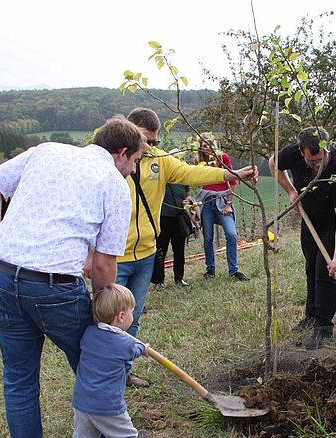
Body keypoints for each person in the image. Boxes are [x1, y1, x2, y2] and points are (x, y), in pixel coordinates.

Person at [0, 115, 147, 438]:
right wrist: (108, 322)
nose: (133, 169)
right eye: (135, 161)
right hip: (54, 289)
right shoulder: (113, 184)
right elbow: (103, 265)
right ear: (121, 154)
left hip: (3, 281)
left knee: (19, 381)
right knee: (96, 359)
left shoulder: (45, 152)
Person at [87, 108, 258, 389]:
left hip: (145, 254)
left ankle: (123, 374)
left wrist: (231, 174)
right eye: (146, 141)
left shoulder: (159, 160)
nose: (150, 148)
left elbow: (192, 172)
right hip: (112, 257)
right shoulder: (105, 162)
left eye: (154, 142)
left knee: (132, 318)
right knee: (105, 322)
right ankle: (103, 378)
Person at [269, 126, 336, 350]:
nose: (317, 166)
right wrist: (290, 190)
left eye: (321, 160)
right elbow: (273, 163)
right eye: (311, 162)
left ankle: (324, 327)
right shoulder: (292, 153)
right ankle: (311, 315)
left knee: (324, 269)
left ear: (328, 149)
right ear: (301, 153)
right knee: (310, 265)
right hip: (310, 217)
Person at [68, 284, 151, 438]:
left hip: (82, 402)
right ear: (121, 317)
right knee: (126, 436)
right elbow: (135, 349)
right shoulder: (123, 344)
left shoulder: (88, 333)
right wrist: (145, 349)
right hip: (107, 404)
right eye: (132, 312)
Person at [195, 134, 250, 282]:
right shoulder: (199, 161)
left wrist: (229, 203)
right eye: (203, 145)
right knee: (208, 237)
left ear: (214, 145)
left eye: (208, 144)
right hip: (207, 200)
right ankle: (210, 270)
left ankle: (234, 270)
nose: (206, 148)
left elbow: (232, 179)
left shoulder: (223, 158)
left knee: (231, 234)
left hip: (222, 199)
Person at [155, 182, 193, 289]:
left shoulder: (182, 179)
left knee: (179, 249)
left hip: (179, 217)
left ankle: (179, 278)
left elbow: (187, 195)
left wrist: (188, 201)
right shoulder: (163, 177)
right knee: (161, 250)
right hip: (163, 217)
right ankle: (159, 280)